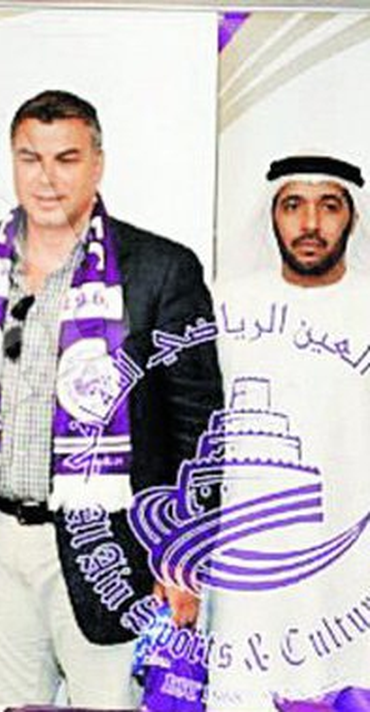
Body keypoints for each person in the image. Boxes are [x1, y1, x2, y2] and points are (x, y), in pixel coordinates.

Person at [0, 89, 223, 708]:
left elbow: (199, 429)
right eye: (30, 158)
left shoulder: (160, 268)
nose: (47, 179)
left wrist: (182, 556)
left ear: (98, 164)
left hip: (112, 548)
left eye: (66, 159)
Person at [207, 154, 370, 710]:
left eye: (330, 206)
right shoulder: (227, 304)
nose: (311, 224)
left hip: (355, 562)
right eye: (293, 205)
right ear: (271, 215)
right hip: (249, 559)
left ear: (352, 217)